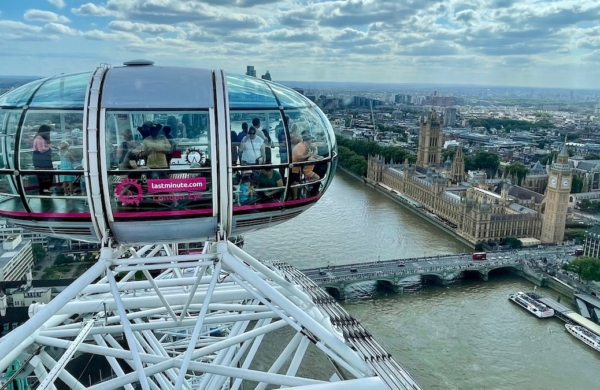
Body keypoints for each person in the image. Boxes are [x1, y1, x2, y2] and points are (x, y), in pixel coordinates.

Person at [32, 124, 56, 195]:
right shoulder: (39, 138)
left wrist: (50, 146)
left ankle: (44, 190)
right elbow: (41, 150)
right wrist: (49, 148)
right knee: (47, 174)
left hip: (40, 160)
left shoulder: (38, 137)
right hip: (42, 160)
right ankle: (45, 190)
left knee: (43, 175)